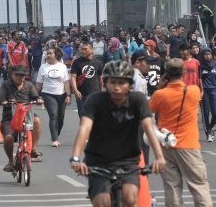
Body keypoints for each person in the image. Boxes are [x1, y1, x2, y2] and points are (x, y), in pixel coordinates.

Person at [70, 61, 165, 207]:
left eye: (121, 83)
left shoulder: (138, 100)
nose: (117, 87)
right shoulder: (95, 100)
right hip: (99, 160)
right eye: (112, 82)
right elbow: (85, 128)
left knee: (130, 199)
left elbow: (148, 127)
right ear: (106, 83)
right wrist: (76, 158)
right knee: (102, 202)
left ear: (130, 84)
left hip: (128, 160)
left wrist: (159, 157)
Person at [149, 59, 213, 207]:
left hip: (166, 147)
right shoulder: (194, 91)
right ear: (184, 72)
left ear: (166, 74)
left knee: (172, 187)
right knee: (198, 185)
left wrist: (159, 87)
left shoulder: (160, 94)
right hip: (189, 146)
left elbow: (147, 110)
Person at [0, 65, 44, 172]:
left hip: (27, 115)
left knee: (36, 120)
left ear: (25, 77)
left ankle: (34, 149)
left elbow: (35, 96)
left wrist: (39, 99)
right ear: (12, 75)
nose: (19, 77)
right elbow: (1, 96)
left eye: (21, 75)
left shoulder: (29, 85)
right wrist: (3, 101)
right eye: (16, 75)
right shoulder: (5, 84)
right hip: (10, 117)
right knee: (8, 138)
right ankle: (10, 161)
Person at [35, 46, 70, 147]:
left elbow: (66, 82)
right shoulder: (43, 67)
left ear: (56, 55)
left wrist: (68, 95)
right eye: (47, 53)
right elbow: (38, 84)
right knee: (53, 115)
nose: (48, 55)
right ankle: (55, 139)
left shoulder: (62, 67)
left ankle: (56, 133)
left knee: (61, 118)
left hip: (62, 94)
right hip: (48, 93)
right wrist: (33, 96)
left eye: (50, 53)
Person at [70, 41, 104, 116]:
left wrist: (101, 93)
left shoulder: (98, 63)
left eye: (85, 49)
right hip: (81, 94)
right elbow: (73, 77)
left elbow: (100, 80)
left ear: (91, 49)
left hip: (94, 93)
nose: (83, 51)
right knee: (82, 116)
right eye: (82, 49)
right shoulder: (77, 62)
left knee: (94, 115)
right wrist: (76, 91)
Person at [199, 48, 216, 142]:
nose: (208, 56)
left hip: (214, 91)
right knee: (205, 114)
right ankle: (208, 133)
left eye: (209, 54)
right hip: (205, 92)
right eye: (206, 55)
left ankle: (211, 126)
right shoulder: (200, 67)